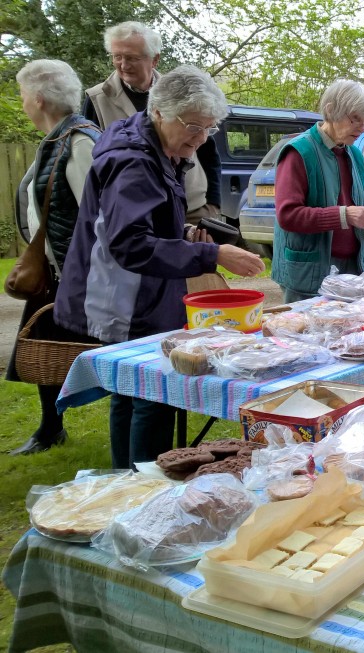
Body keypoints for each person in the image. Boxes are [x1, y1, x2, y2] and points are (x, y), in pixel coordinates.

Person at [55, 65, 265, 469]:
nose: (201, 138)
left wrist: (181, 231)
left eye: (209, 128)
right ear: (158, 113)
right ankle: (145, 483)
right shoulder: (135, 161)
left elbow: (139, 222)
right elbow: (128, 243)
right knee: (151, 394)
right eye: (193, 126)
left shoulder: (154, 147)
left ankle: (126, 478)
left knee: (129, 392)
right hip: (121, 297)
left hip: (136, 293)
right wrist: (213, 255)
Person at [6, 60, 102, 456]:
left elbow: (97, 216)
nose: (24, 103)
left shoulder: (80, 143)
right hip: (56, 269)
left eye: (24, 95)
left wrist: (82, 274)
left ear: (39, 99)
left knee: (97, 355)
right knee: (41, 349)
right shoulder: (56, 140)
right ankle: (50, 429)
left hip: (75, 273)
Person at [82, 21, 224, 228]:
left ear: (154, 59)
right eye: (117, 56)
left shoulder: (183, 90)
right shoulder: (96, 99)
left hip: (193, 205)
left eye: (131, 57)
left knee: (201, 258)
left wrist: (213, 202)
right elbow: (91, 160)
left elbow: (208, 150)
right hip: (138, 209)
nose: (123, 64)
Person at [271, 80, 364, 302]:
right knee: (306, 335)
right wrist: (345, 215)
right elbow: (288, 216)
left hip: (351, 270)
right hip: (309, 274)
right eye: (355, 118)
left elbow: (357, 203)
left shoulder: (353, 153)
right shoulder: (299, 152)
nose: (362, 128)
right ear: (331, 110)